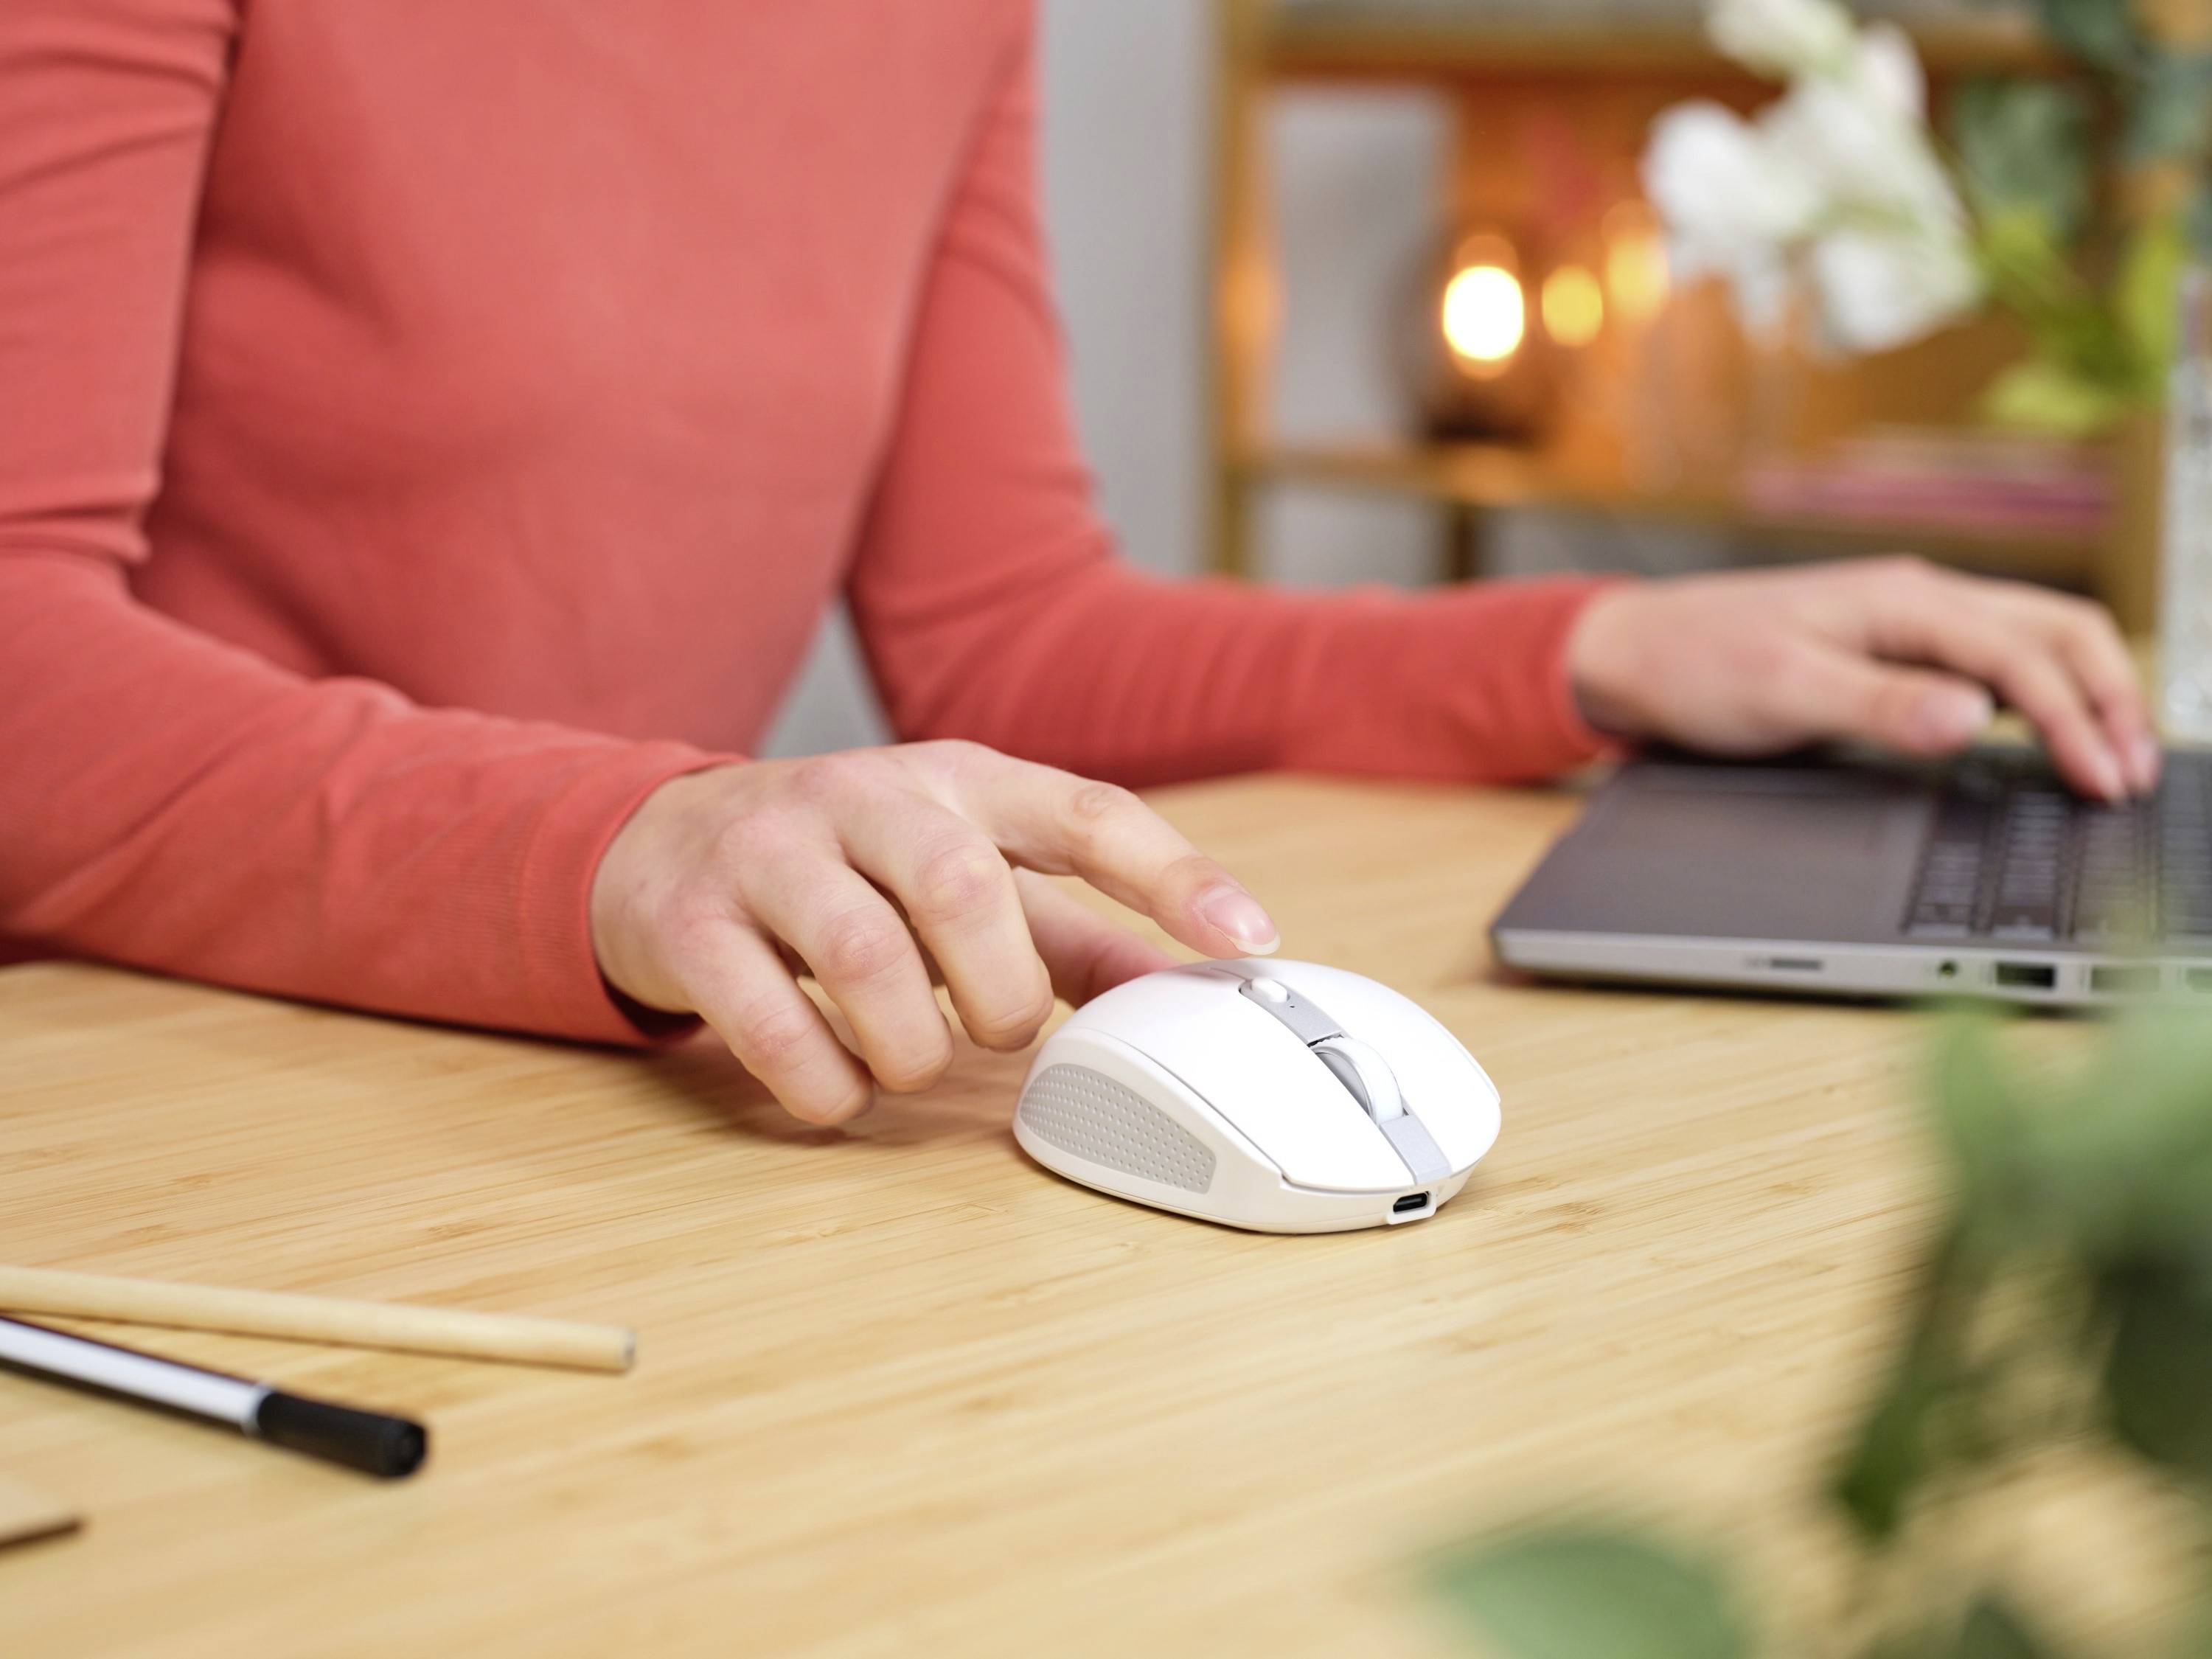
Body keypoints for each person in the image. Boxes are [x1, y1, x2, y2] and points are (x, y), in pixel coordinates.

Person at [0, 1, 2156, 1126]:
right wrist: (626, 838)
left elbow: (1006, 621)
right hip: (174, 1102)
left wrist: (1597, 641)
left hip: (629, 1108)